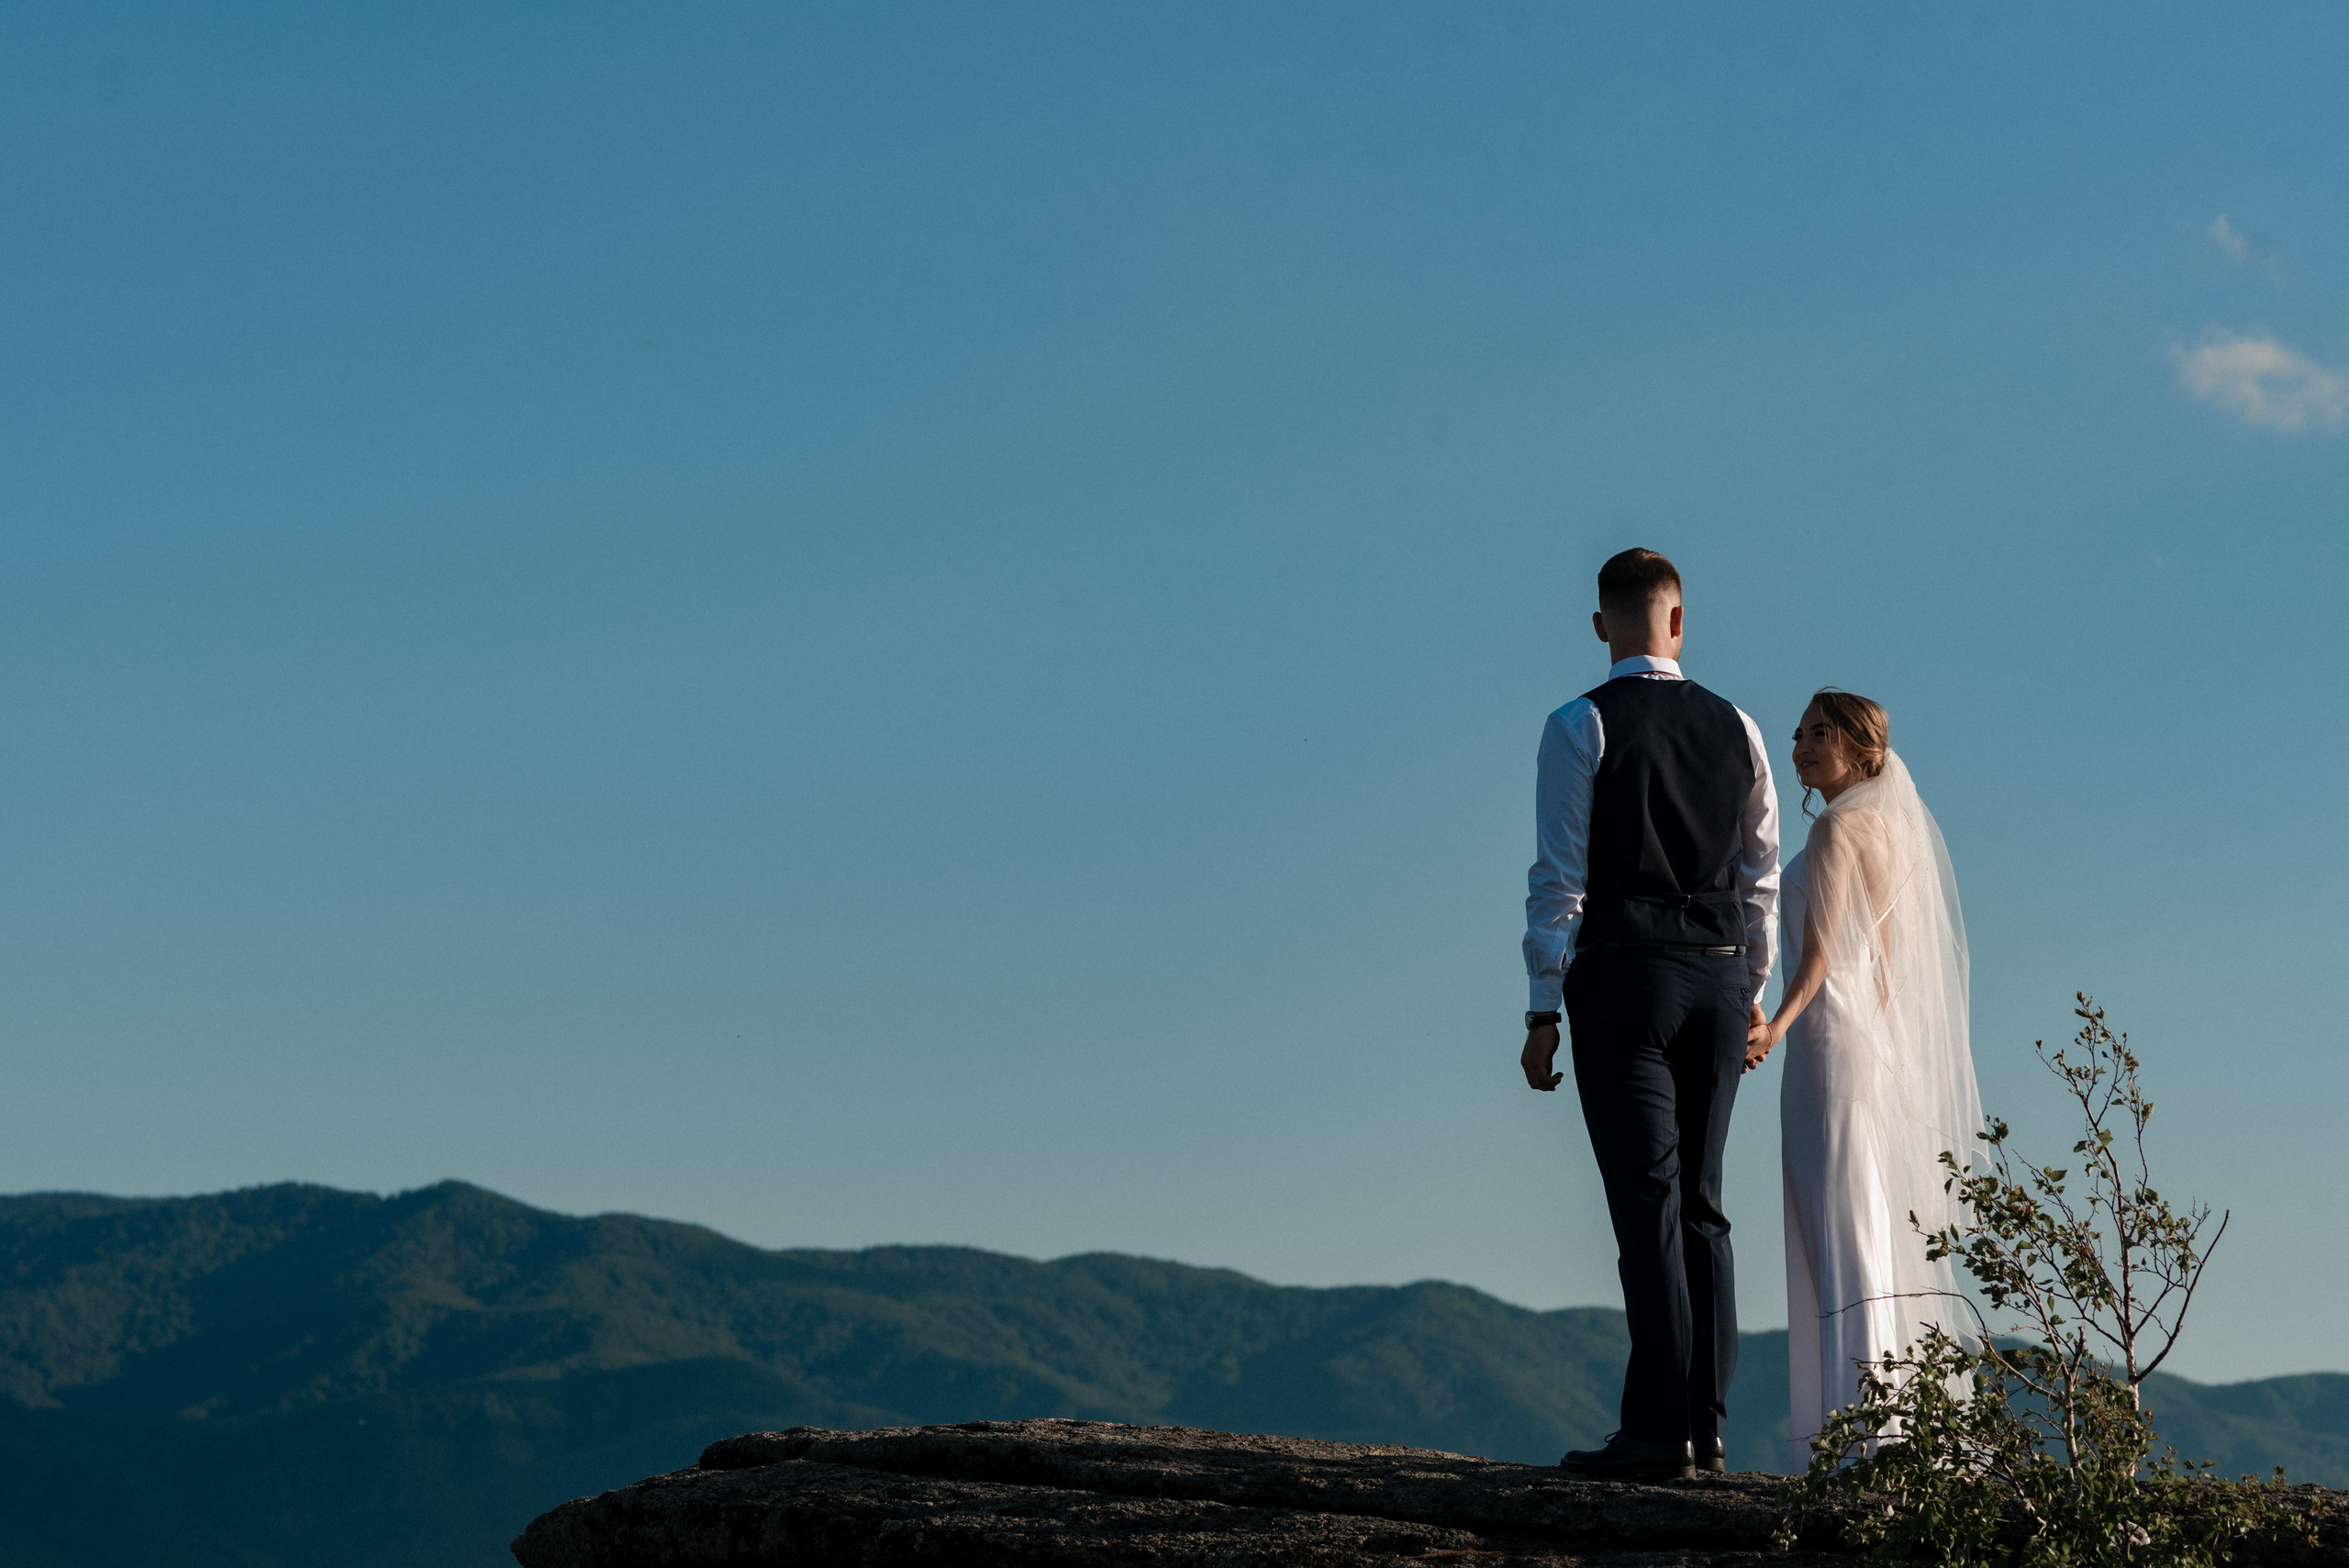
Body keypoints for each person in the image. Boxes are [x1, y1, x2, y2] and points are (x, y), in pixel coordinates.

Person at [1521, 548, 1781, 1480]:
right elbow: (1761, 878)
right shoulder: (1740, 727)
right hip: (1717, 978)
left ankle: (1654, 1429)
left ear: (1602, 625)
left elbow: (1559, 877)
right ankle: (1705, 1427)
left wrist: (1540, 1006)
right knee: (1704, 1206)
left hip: (1624, 974)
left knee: (1649, 1206)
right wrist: (1751, 993)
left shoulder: (1577, 722)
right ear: (1679, 620)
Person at [1742, 691, 1982, 1466]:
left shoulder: (1835, 825)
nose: (1800, 743)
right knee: (1865, 1220)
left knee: (1838, 1223)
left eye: (1819, 733)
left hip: (1827, 1044)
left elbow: (1818, 961)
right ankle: (1894, 1417)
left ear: (1859, 747)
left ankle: (1865, 1430)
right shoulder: (1889, 832)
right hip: (1865, 1046)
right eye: (1800, 732)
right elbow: (1887, 976)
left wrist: (1774, 1027)